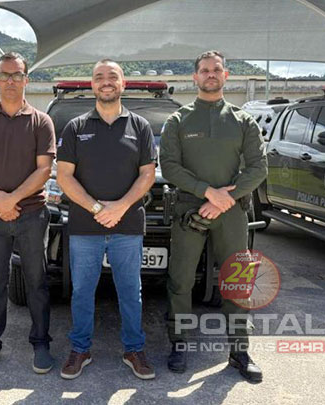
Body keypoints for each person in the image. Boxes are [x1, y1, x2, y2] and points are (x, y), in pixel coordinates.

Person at [160, 50, 267, 382]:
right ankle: (179, 343)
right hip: (189, 210)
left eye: (216, 69)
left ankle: (239, 351)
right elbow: (170, 167)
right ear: (195, 76)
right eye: (204, 70)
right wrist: (207, 192)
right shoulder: (178, 121)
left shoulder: (242, 121)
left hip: (232, 212)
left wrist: (225, 198)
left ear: (225, 75)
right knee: (181, 279)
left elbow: (258, 168)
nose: (210, 74)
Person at [56, 59, 157, 380]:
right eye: (99, 77)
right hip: (85, 226)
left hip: (128, 225)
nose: (106, 81)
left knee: (130, 291)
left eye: (112, 76)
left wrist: (121, 207)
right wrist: (98, 209)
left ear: (123, 83)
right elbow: (64, 177)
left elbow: (147, 174)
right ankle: (80, 349)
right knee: (82, 292)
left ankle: (134, 349)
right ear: (92, 85)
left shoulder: (140, 126)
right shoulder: (75, 127)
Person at [0, 52, 56, 374]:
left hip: (32, 215)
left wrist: (12, 199)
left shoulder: (41, 121)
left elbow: (44, 170)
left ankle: (41, 343)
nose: (11, 81)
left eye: (17, 75)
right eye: (5, 75)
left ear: (26, 79)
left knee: (36, 282)